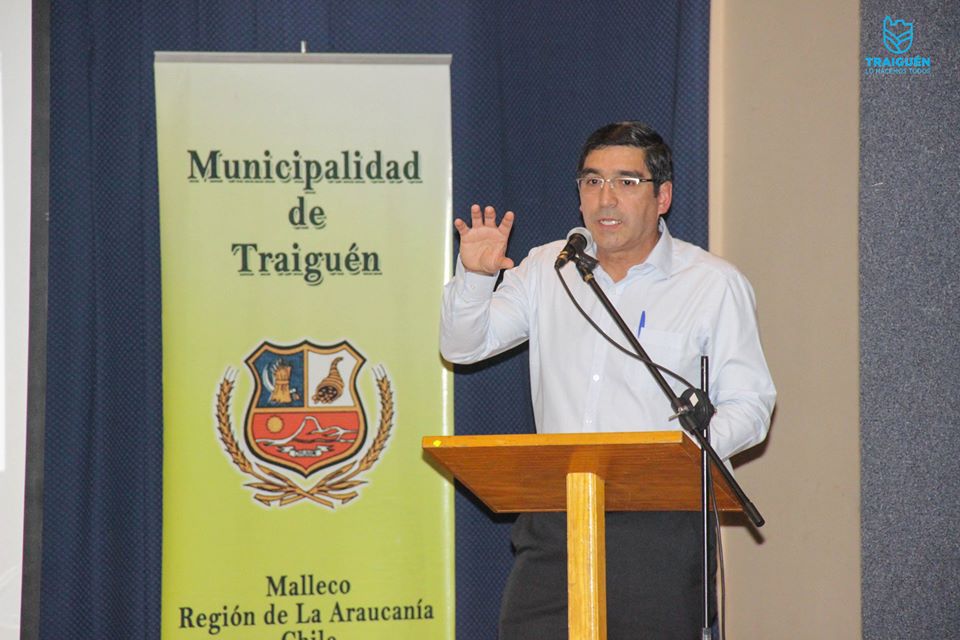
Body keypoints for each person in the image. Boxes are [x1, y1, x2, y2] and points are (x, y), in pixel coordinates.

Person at [440, 121, 776, 639]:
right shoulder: (548, 268)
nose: (606, 198)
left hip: (659, 524)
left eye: (626, 182)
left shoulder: (711, 284)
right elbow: (463, 346)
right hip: (556, 519)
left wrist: (669, 454)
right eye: (592, 181)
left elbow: (750, 406)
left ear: (663, 197)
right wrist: (477, 277)